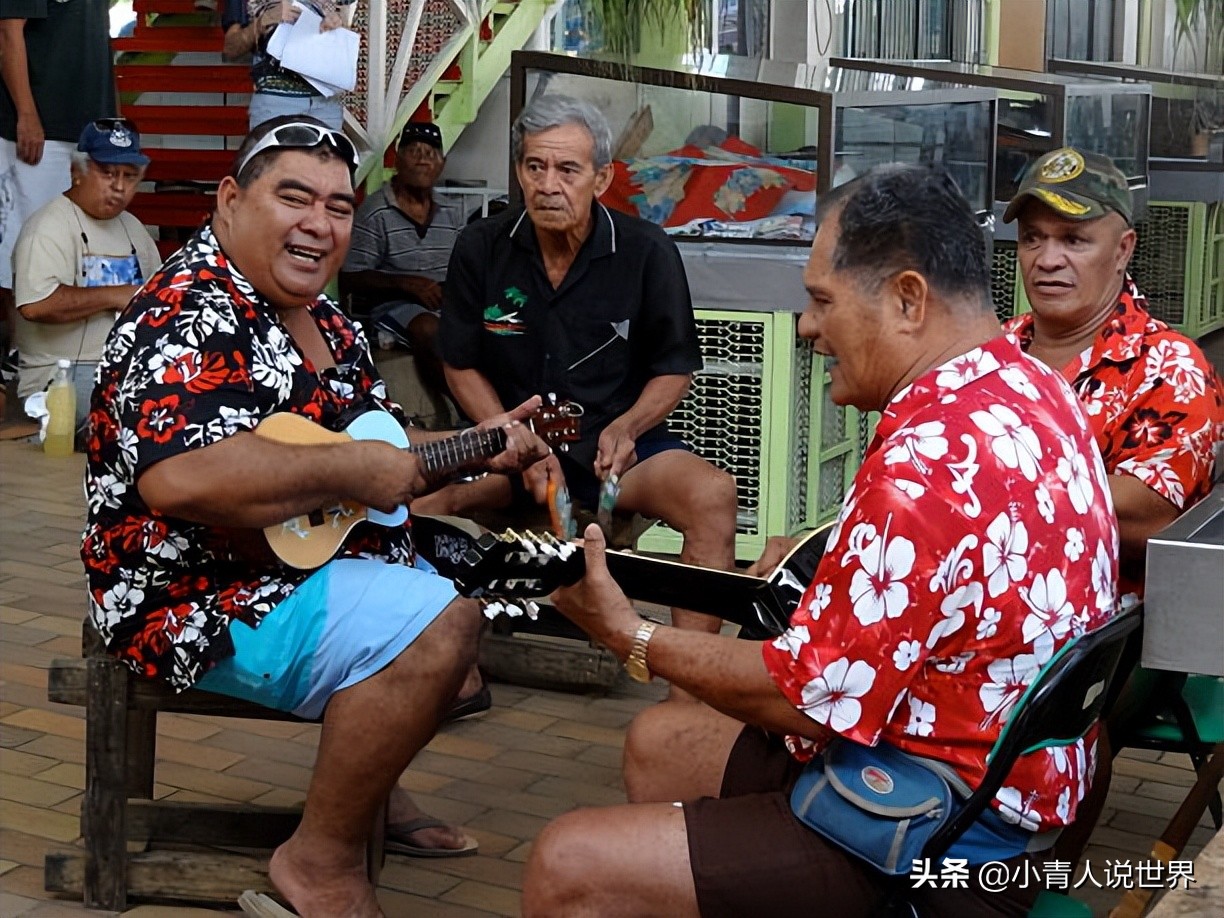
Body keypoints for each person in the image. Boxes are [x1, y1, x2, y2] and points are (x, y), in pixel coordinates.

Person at [521, 165, 1121, 918]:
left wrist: (626, 632)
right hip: (1011, 791)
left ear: (908, 299)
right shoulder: (1034, 386)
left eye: (821, 300)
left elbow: (808, 699)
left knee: (567, 863)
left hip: (946, 841)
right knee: (662, 738)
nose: (806, 327)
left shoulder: (923, 462)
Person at [81, 115, 551, 917]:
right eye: (293, 197)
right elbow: (181, 480)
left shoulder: (328, 319)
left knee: (496, 582)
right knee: (440, 628)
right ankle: (320, 858)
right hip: (195, 593)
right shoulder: (184, 309)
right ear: (230, 201)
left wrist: (481, 447)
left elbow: (385, 445)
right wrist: (353, 468)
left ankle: (367, 787)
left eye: (338, 207)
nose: (318, 224)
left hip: (304, 559)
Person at [437, 93, 738, 650]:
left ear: (601, 179)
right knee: (415, 500)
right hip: (510, 451)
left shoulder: (647, 251)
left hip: (613, 452)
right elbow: (459, 363)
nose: (548, 184)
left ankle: (693, 696)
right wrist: (509, 433)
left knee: (711, 494)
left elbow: (673, 370)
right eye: (535, 166)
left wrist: (626, 427)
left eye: (567, 169)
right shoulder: (481, 246)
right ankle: (439, 669)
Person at [1001, 146, 1224, 862]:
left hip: (1106, 631)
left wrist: (984, 498)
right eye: (1033, 238)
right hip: (984, 605)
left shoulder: (1169, 367)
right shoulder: (992, 355)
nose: (1047, 259)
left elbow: (1144, 514)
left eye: (1074, 239)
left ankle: (1013, 874)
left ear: (1123, 247)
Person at [13, 119, 161, 436]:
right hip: (60, 375)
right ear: (76, 172)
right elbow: (36, 305)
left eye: (129, 176)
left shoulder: (134, 229)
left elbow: (157, 299)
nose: (119, 187)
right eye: (108, 173)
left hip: (122, 368)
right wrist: (115, 295)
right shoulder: (48, 226)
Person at [0, 0, 117, 331]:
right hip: (42, 127)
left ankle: (75, 356)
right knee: (26, 250)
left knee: (85, 249)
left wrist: (113, 118)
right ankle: (24, 358)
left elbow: (98, 39)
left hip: (93, 123)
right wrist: (26, 114)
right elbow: (9, 33)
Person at [340, 121, 465, 411]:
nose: (422, 159)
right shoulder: (377, 211)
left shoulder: (451, 213)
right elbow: (350, 277)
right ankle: (465, 408)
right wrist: (405, 284)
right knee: (428, 329)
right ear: (397, 160)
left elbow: (463, 268)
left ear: (442, 165)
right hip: (393, 307)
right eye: (413, 151)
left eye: (431, 153)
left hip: (444, 301)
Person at [221, 0, 354, 130]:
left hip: (327, 106)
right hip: (276, 105)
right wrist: (263, 21)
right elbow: (231, 48)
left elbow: (349, 32)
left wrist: (338, 22)